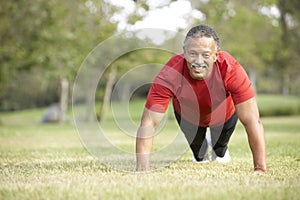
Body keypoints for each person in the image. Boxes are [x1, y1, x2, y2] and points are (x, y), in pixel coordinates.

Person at [135, 25, 266, 173]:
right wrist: (142, 170)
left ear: (216, 55)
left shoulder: (231, 70)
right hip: (188, 116)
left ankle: (219, 149)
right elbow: (149, 123)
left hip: (223, 115)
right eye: (192, 54)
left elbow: (252, 120)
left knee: (219, 150)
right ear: (184, 53)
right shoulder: (170, 74)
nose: (198, 61)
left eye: (206, 55)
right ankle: (201, 152)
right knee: (200, 155)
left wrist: (260, 169)